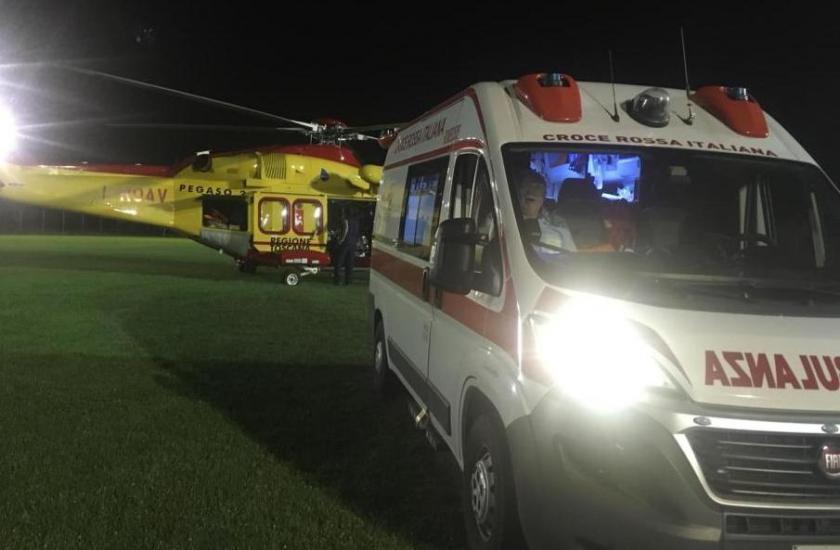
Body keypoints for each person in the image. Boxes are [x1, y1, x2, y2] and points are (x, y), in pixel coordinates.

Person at [516, 169, 576, 252]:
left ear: (543, 199)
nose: (522, 202)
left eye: (529, 199)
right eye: (519, 197)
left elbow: (571, 255)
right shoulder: (503, 220)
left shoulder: (558, 228)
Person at [332, 205, 360, 285]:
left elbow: (345, 230)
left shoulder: (346, 220)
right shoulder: (356, 222)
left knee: (339, 261)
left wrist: (341, 240)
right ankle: (348, 280)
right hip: (353, 243)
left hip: (346, 243)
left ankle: (337, 279)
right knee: (350, 262)